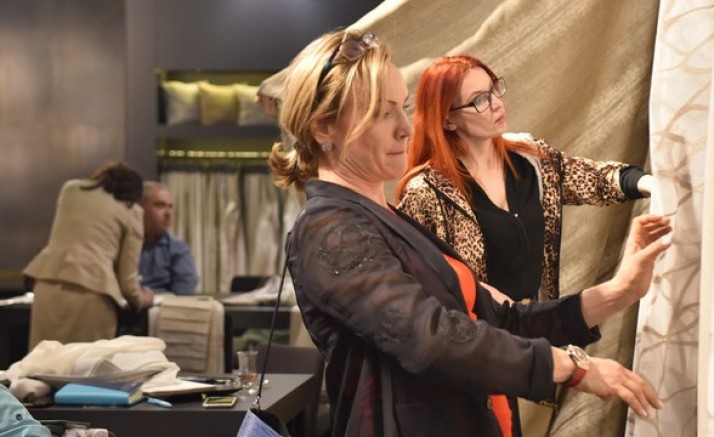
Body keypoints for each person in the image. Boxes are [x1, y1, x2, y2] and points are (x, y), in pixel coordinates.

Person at [268, 29, 671, 437]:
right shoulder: (330, 229)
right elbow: (431, 337)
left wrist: (619, 291)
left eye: (402, 108)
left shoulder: (387, 219)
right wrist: (570, 367)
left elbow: (500, 320)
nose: (405, 128)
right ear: (323, 128)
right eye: (380, 113)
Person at [396, 55, 657, 304]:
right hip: (480, 332)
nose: (497, 103)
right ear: (448, 120)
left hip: (541, 323)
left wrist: (650, 184)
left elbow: (596, 179)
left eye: (494, 89)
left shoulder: (530, 157)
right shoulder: (425, 192)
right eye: (480, 100)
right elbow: (415, 285)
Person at [24, 162, 154, 349]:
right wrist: (143, 299)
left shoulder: (70, 190)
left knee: (43, 359)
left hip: (48, 284)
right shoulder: (132, 212)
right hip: (94, 291)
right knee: (87, 362)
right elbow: (127, 280)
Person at [138, 181, 198, 295]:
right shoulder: (119, 243)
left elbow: (184, 293)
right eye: (160, 205)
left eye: (170, 207)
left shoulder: (177, 248)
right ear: (140, 209)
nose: (168, 213)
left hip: (164, 305)